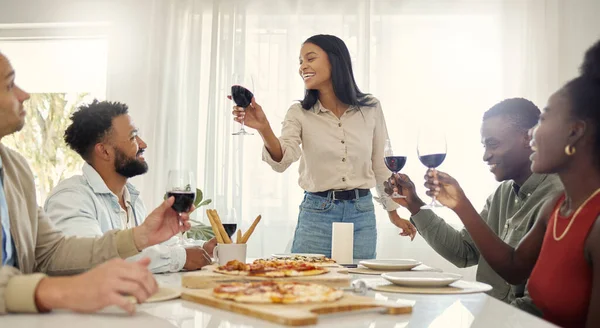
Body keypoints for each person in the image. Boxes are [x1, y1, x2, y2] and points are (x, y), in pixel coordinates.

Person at [420, 40, 600, 327]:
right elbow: (513, 268)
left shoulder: (589, 219)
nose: (533, 135)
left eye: (544, 118)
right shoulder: (554, 208)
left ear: (574, 133)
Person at [0, 52, 192, 314]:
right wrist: (51, 291)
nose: (25, 94)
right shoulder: (71, 195)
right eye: (10, 85)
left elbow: (52, 253)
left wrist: (140, 236)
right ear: (104, 151)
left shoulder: (15, 170)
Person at [231, 34, 416, 259]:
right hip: (316, 215)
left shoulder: (370, 108)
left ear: (335, 60)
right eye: (300, 61)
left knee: (356, 285)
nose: (303, 67)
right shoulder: (299, 112)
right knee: (307, 287)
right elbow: (282, 160)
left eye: (310, 58)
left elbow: (381, 165)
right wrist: (264, 128)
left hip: (362, 215)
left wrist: (393, 214)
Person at [385, 98, 563, 314]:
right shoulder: (502, 193)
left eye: (493, 144)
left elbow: (534, 306)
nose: (486, 155)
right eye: (484, 145)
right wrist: (414, 204)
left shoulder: (558, 198)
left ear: (528, 138)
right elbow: (464, 252)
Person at [44, 100, 215, 273]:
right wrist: (180, 258)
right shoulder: (71, 198)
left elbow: (153, 245)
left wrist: (204, 247)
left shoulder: (131, 198)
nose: (143, 144)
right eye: (133, 137)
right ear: (104, 151)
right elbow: (91, 259)